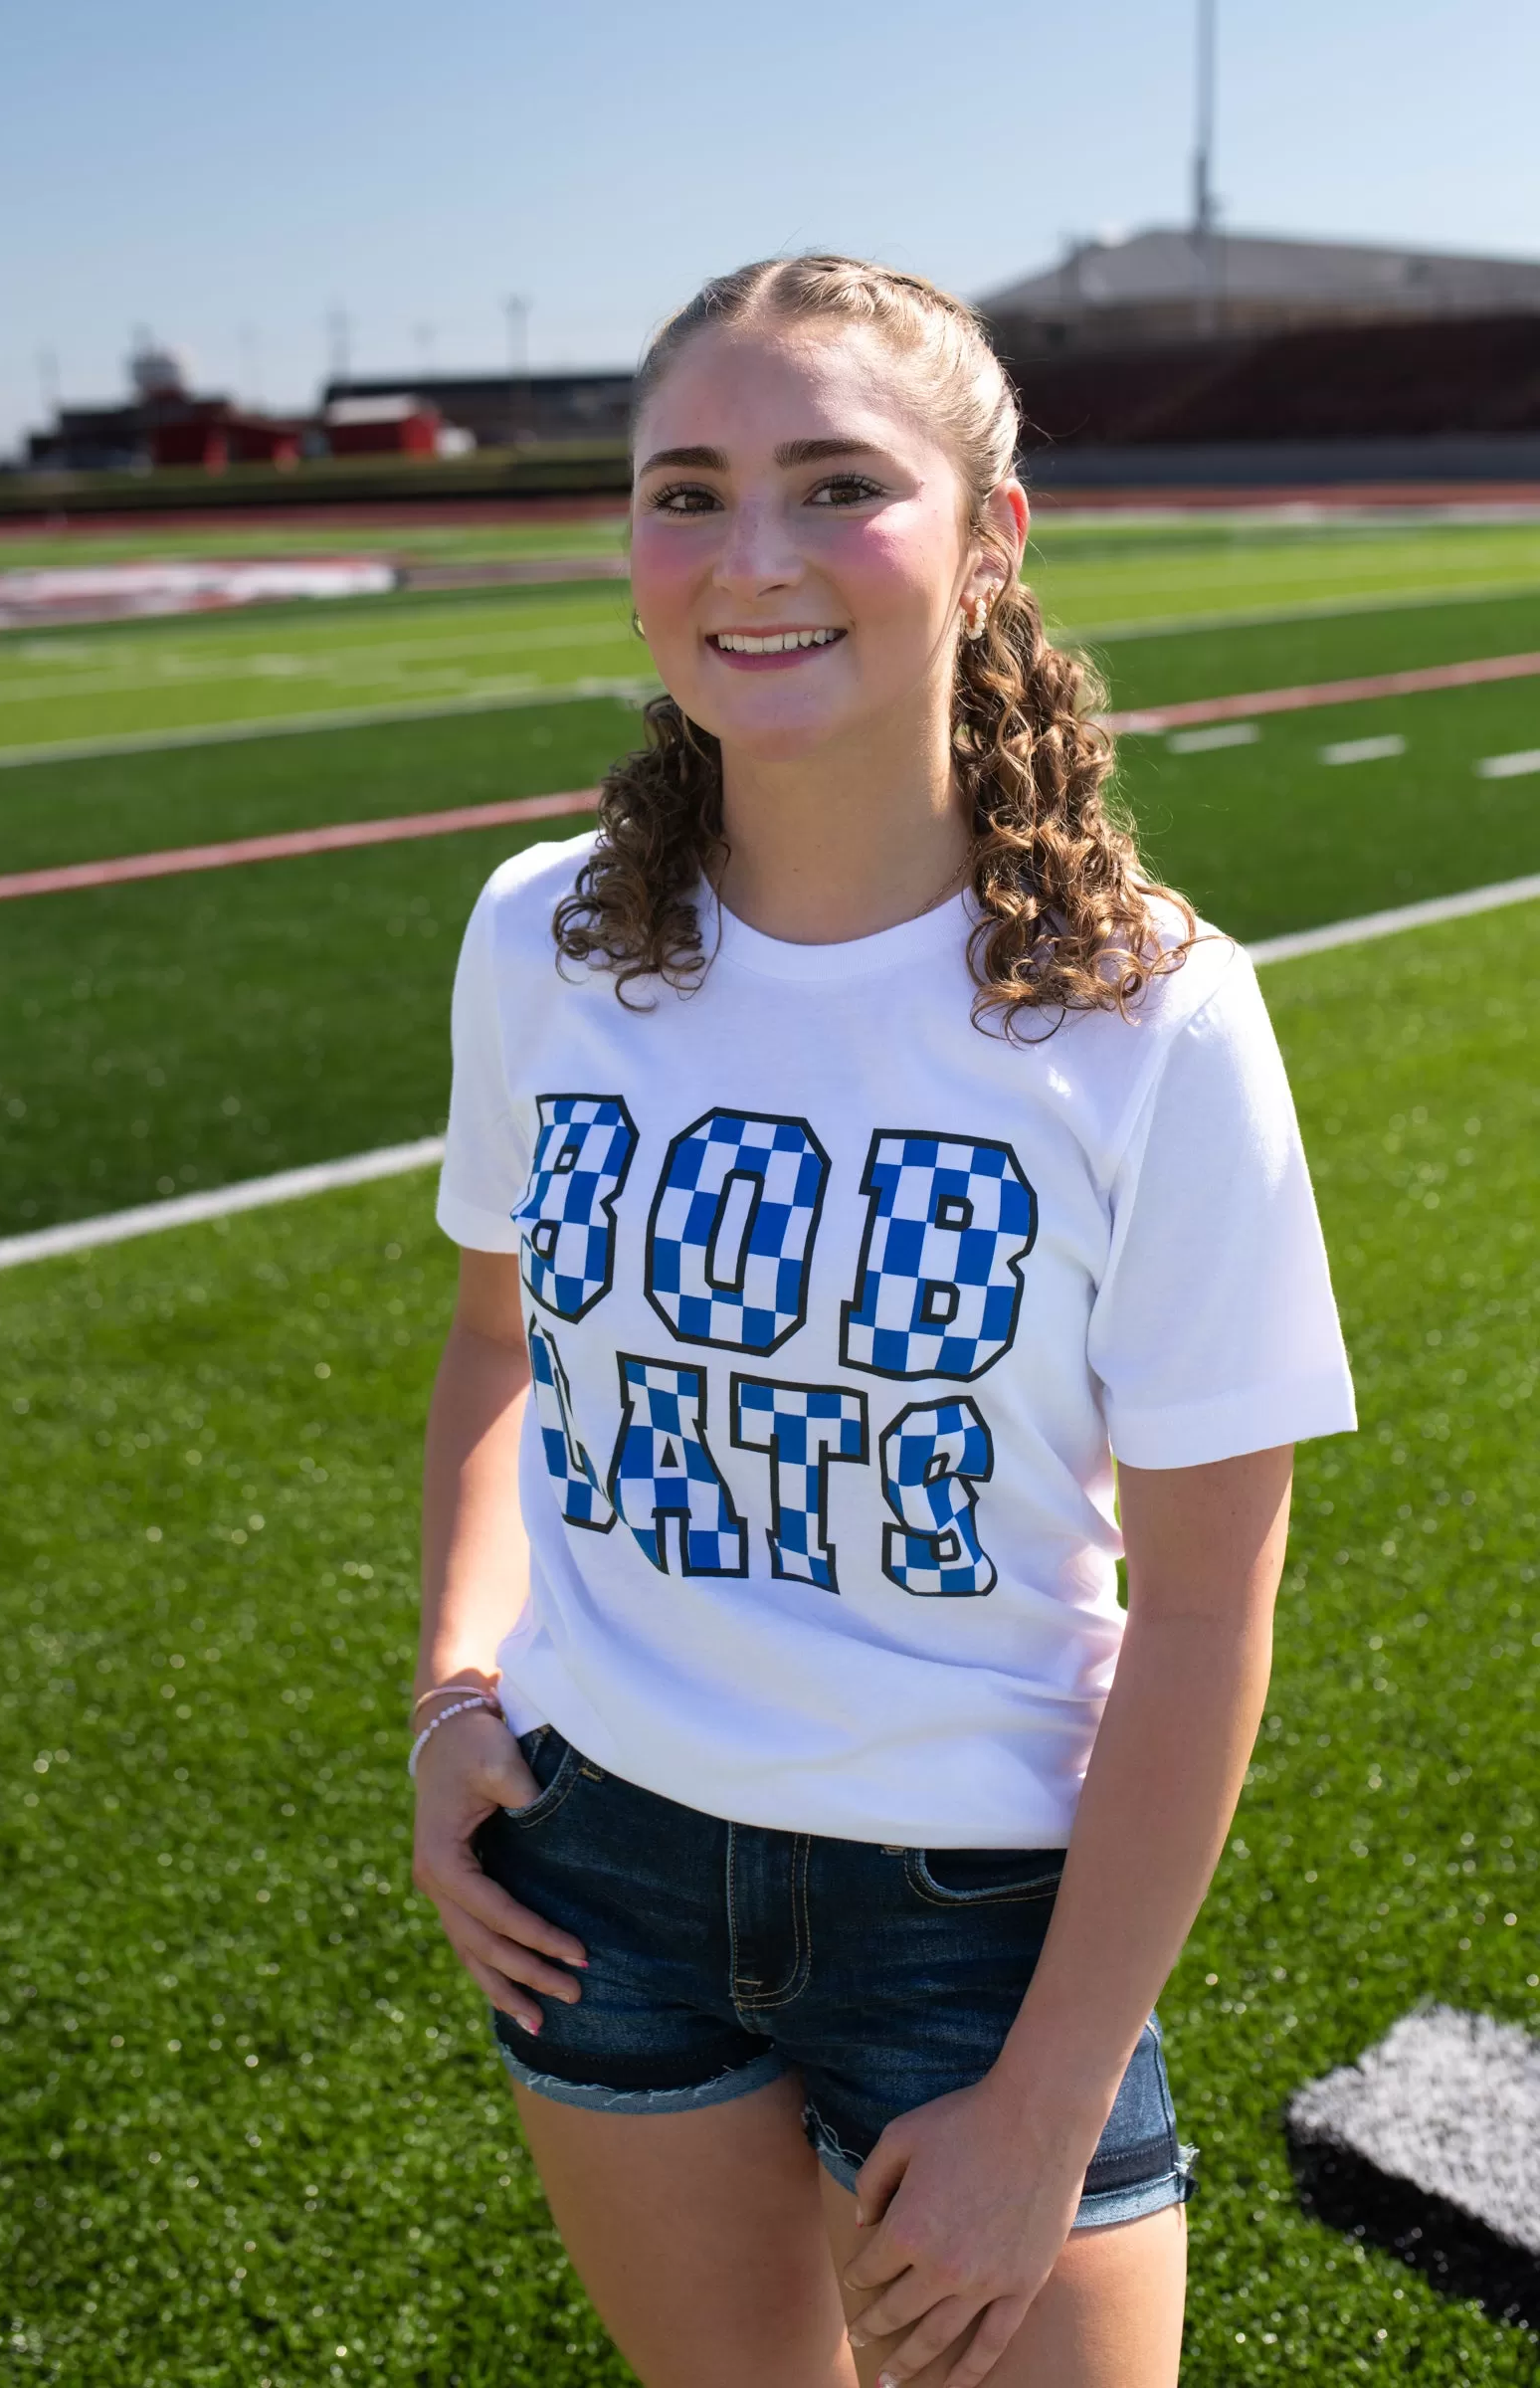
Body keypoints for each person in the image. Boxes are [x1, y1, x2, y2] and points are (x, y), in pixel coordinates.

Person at [408, 255, 1355, 2388]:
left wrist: (1038, 2101)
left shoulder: (1152, 1020)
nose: (749, 557)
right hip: (598, 1873)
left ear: (989, 536)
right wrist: (450, 1693)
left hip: (981, 1924)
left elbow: (1207, 1609)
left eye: (837, 484)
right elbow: (495, 1343)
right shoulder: (537, 941)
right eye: (684, 489)